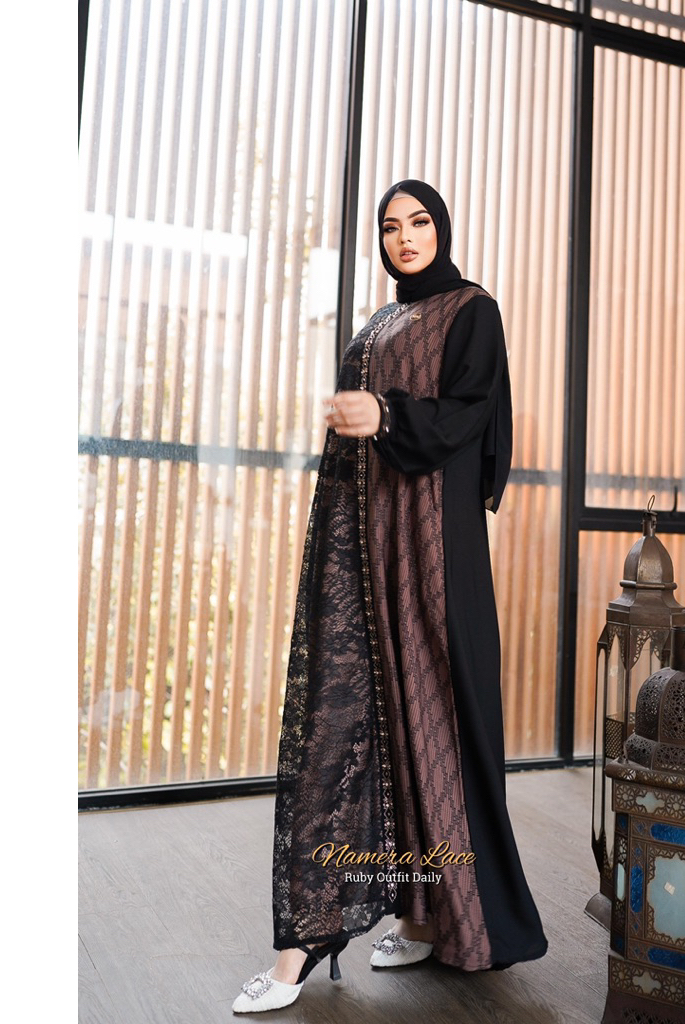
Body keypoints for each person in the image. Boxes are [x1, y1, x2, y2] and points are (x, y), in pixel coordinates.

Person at [232, 180, 547, 1014]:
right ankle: (382, 916)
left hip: (434, 549)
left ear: (442, 228)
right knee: (365, 721)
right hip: (369, 546)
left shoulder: (472, 310)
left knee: (438, 719)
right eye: (390, 226)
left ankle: (448, 916)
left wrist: (387, 415)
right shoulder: (378, 322)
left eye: (419, 222)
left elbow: (469, 415)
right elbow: (356, 433)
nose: (405, 236)